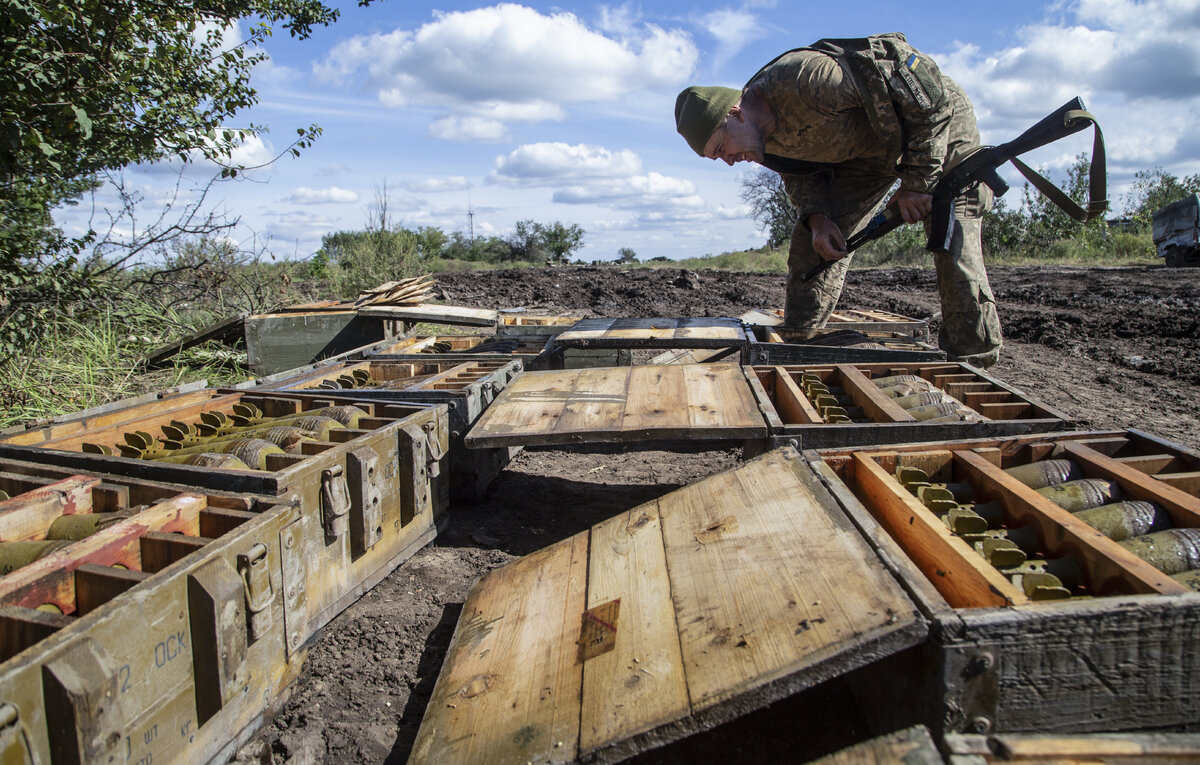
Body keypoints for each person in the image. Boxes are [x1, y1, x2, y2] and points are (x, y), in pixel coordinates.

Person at [674, 33, 1002, 368]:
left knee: (951, 226)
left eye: (722, 148)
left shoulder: (805, 80)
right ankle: (799, 347)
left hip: (934, 127)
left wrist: (919, 180)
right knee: (814, 242)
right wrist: (818, 217)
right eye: (718, 158)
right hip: (868, 154)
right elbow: (798, 171)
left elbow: (919, 81)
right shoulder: (757, 141)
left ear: (735, 113)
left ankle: (972, 360)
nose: (729, 161)